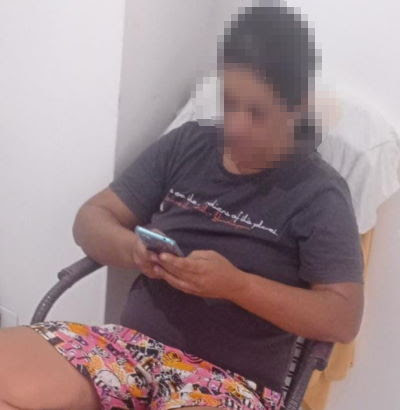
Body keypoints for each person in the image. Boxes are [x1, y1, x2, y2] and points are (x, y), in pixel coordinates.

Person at [0, 2, 364, 410]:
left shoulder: (319, 193)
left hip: (230, 384)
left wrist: (237, 285)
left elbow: (342, 318)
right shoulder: (189, 144)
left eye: (257, 113)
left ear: (298, 107)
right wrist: (133, 251)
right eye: (229, 101)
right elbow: (91, 220)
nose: (235, 125)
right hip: (129, 352)